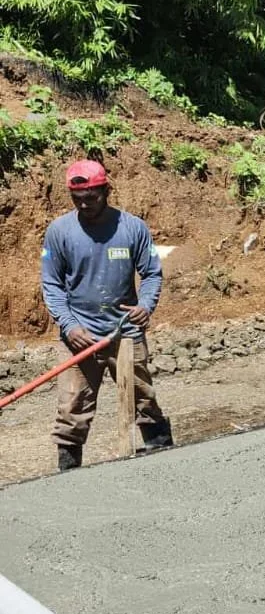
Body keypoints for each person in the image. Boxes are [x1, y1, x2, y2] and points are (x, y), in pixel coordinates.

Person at [41, 160, 173, 471]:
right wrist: (69, 325)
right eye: (78, 198)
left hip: (125, 330)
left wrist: (146, 305)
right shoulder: (59, 231)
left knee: (142, 395)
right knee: (72, 404)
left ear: (106, 190)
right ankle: (69, 472)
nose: (85, 204)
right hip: (80, 334)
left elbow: (152, 273)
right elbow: (51, 283)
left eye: (92, 197)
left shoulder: (132, 228)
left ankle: (162, 456)